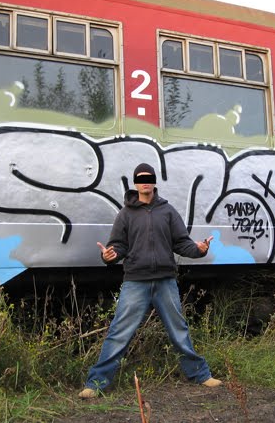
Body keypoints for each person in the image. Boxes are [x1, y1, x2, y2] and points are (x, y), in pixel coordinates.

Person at [79, 163, 221, 398]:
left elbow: (182, 243)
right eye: (141, 178)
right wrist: (109, 256)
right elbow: (118, 247)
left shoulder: (168, 211)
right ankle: (96, 383)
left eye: (149, 178)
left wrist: (199, 250)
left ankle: (200, 375)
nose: (145, 182)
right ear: (135, 184)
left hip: (165, 280)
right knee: (119, 332)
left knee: (179, 331)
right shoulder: (125, 214)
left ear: (154, 182)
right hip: (136, 281)